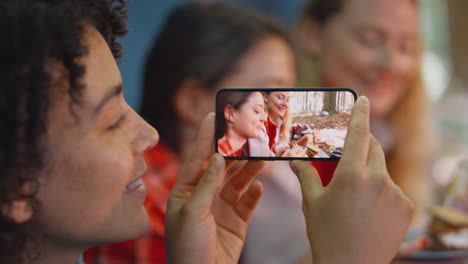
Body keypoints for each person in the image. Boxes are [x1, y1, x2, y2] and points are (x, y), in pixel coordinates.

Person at [0, 1, 416, 264]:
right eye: (111, 118)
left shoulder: (199, 209)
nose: (147, 133)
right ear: (16, 187)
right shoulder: (152, 211)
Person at [85, 2, 296, 263]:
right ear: (194, 102)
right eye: (269, 93)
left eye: (290, 92)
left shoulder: (205, 199)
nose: (286, 112)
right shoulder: (148, 211)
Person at [297, 0, 433, 227]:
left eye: (406, 47)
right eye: (369, 40)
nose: (390, 64)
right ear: (314, 34)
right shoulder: (275, 147)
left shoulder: (404, 142)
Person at [216, 91, 267, 157]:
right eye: (257, 111)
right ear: (230, 113)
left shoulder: (237, 152)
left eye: (264, 111)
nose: (264, 119)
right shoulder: (219, 153)